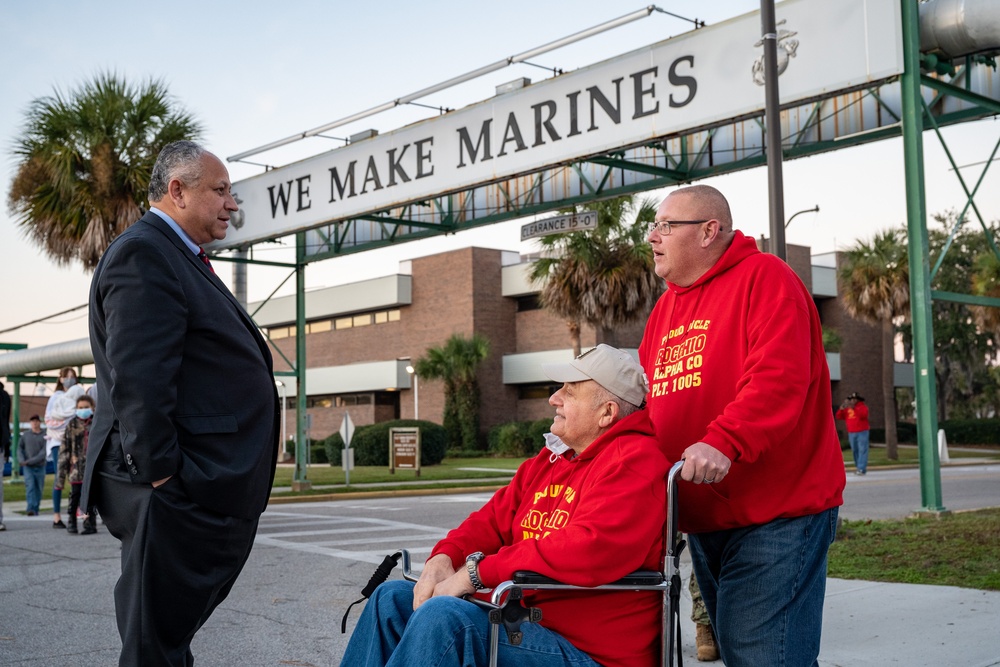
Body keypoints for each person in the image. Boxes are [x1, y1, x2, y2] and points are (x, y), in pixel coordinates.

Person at [341, 345, 668, 667]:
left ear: (607, 413)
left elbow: (589, 547)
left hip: (589, 652)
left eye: (570, 393)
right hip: (527, 623)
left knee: (446, 619)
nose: (554, 399)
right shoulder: (551, 460)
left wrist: (474, 574)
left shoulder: (635, 461)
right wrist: (446, 556)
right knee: (391, 600)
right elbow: (493, 520)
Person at [82, 140, 279, 667]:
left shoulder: (178, 257)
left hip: (183, 489)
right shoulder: (146, 253)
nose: (231, 204)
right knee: (154, 647)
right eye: (219, 191)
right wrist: (163, 475)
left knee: (165, 643)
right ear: (177, 191)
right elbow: (139, 379)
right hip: (167, 492)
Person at [638, 184, 846, 667]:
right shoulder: (665, 309)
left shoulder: (765, 278)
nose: (653, 236)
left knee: (764, 658)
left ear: (710, 231)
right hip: (705, 516)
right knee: (741, 653)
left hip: (777, 513)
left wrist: (724, 441)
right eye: (654, 226)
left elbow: (778, 378)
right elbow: (652, 406)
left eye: (667, 225)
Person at [45, 367, 84, 529]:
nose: (69, 379)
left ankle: (77, 511)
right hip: (58, 442)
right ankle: (56, 516)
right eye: (66, 377)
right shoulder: (56, 397)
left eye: (72, 377)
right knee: (59, 477)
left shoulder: (79, 397)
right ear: (60, 379)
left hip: (76, 443)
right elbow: (49, 419)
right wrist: (67, 425)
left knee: (77, 478)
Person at [59, 394, 98, 534]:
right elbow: (65, 448)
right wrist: (61, 475)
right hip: (76, 468)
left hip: (93, 468)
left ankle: (90, 523)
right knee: (75, 495)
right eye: (80, 408)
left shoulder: (96, 423)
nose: (83, 410)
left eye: (86, 407)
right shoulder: (72, 425)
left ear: (92, 407)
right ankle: (72, 521)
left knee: (90, 496)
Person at [18, 415, 47, 516]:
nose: (34, 423)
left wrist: (30, 461)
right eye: (32, 421)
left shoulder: (45, 435)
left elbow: (43, 452)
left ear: (40, 422)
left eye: (36, 421)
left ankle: (36, 508)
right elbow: (19, 449)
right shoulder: (25, 435)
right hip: (28, 468)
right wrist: (22, 460)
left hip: (40, 466)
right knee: (30, 486)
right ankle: (30, 508)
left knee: (38, 488)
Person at [836, 391, 870, 475]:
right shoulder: (848, 409)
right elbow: (839, 416)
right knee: (855, 450)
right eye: (851, 399)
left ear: (858, 400)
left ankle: (861, 468)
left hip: (862, 432)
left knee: (862, 450)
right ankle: (859, 467)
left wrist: (854, 408)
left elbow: (863, 415)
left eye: (854, 399)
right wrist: (842, 408)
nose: (852, 401)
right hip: (851, 432)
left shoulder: (862, 407)